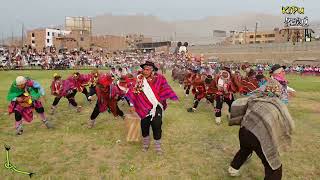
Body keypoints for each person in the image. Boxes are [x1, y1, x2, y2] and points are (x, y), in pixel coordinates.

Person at [228, 79, 295, 180]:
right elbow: (283, 124)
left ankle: (233, 169)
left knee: (245, 150)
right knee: (273, 164)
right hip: (259, 136)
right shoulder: (278, 105)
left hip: (244, 131)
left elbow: (238, 104)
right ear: (278, 91)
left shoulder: (254, 99)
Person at [126, 61, 178, 154]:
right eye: (144, 69)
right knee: (144, 125)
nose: (145, 71)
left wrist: (166, 97)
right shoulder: (139, 79)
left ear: (152, 70)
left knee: (157, 125)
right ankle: (146, 144)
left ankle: (157, 145)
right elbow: (132, 92)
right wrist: (132, 104)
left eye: (147, 69)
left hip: (156, 106)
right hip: (143, 107)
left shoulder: (160, 78)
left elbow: (166, 88)